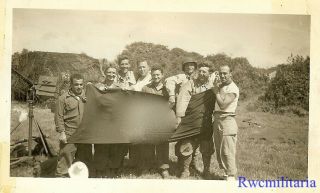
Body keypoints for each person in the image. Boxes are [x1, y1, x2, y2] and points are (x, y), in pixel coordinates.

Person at [175, 62, 216, 178]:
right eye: (200, 71)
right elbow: (182, 101)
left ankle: (206, 170)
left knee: (206, 147)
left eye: (205, 72)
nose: (201, 74)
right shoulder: (190, 84)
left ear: (210, 73)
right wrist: (179, 117)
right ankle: (185, 170)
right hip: (191, 121)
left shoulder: (213, 87)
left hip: (206, 122)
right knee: (187, 145)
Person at [93, 65, 127, 178]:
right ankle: (100, 169)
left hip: (115, 121)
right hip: (102, 121)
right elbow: (93, 101)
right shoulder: (98, 87)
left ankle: (114, 169)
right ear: (105, 74)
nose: (111, 75)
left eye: (113, 73)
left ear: (116, 74)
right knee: (101, 146)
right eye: (109, 72)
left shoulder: (120, 87)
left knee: (115, 146)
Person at [141, 66, 170, 178]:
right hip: (149, 120)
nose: (156, 77)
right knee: (148, 145)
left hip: (163, 120)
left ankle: (164, 168)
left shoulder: (167, 89)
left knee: (163, 144)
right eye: (154, 75)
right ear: (151, 76)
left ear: (162, 75)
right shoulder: (145, 88)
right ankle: (149, 166)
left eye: (158, 75)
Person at [55, 73, 87, 177]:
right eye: (76, 84)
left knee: (83, 161)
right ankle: (61, 177)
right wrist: (62, 133)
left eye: (81, 84)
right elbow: (58, 117)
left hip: (84, 134)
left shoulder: (86, 97)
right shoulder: (63, 98)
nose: (79, 87)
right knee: (65, 158)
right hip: (69, 133)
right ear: (71, 85)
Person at [212, 65, 239, 181]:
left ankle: (231, 176)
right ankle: (226, 174)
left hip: (227, 119)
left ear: (230, 74)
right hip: (217, 119)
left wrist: (216, 92)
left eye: (225, 73)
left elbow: (223, 105)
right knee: (219, 149)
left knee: (227, 150)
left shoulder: (233, 88)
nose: (222, 75)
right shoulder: (221, 86)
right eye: (220, 73)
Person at [128, 60, 153, 174]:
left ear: (149, 68)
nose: (142, 69)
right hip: (136, 112)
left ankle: (146, 165)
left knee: (146, 141)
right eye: (140, 67)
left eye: (144, 67)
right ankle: (135, 163)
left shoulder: (152, 79)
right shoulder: (138, 80)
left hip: (147, 113)